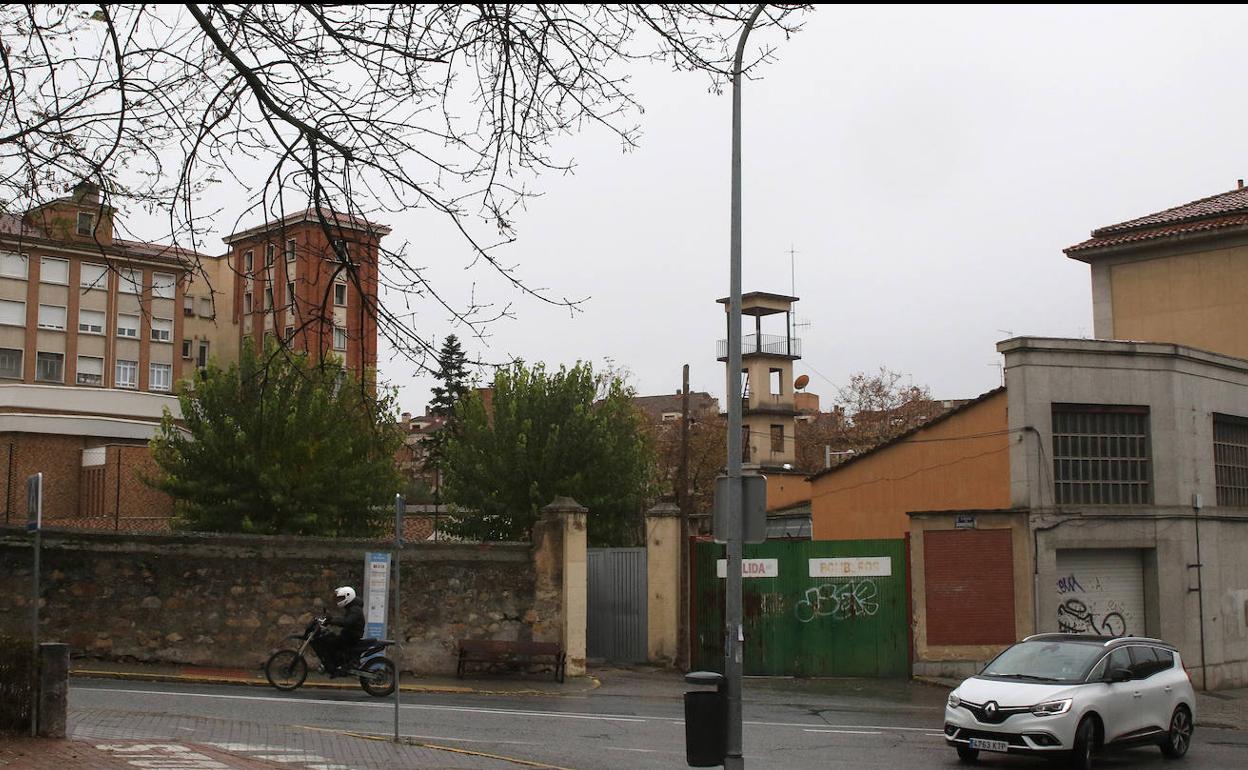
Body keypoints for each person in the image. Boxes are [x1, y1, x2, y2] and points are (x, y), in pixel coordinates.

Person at [317, 586, 365, 675]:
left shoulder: (355, 609)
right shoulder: (352, 607)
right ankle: (336, 664)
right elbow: (345, 619)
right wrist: (331, 619)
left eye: (342, 598)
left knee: (329, 642)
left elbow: (347, 622)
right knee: (330, 638)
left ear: (348, 596)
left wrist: (331, 621)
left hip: (351, 636)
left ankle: (336, 666)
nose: (339, 600)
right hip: (349, 634)